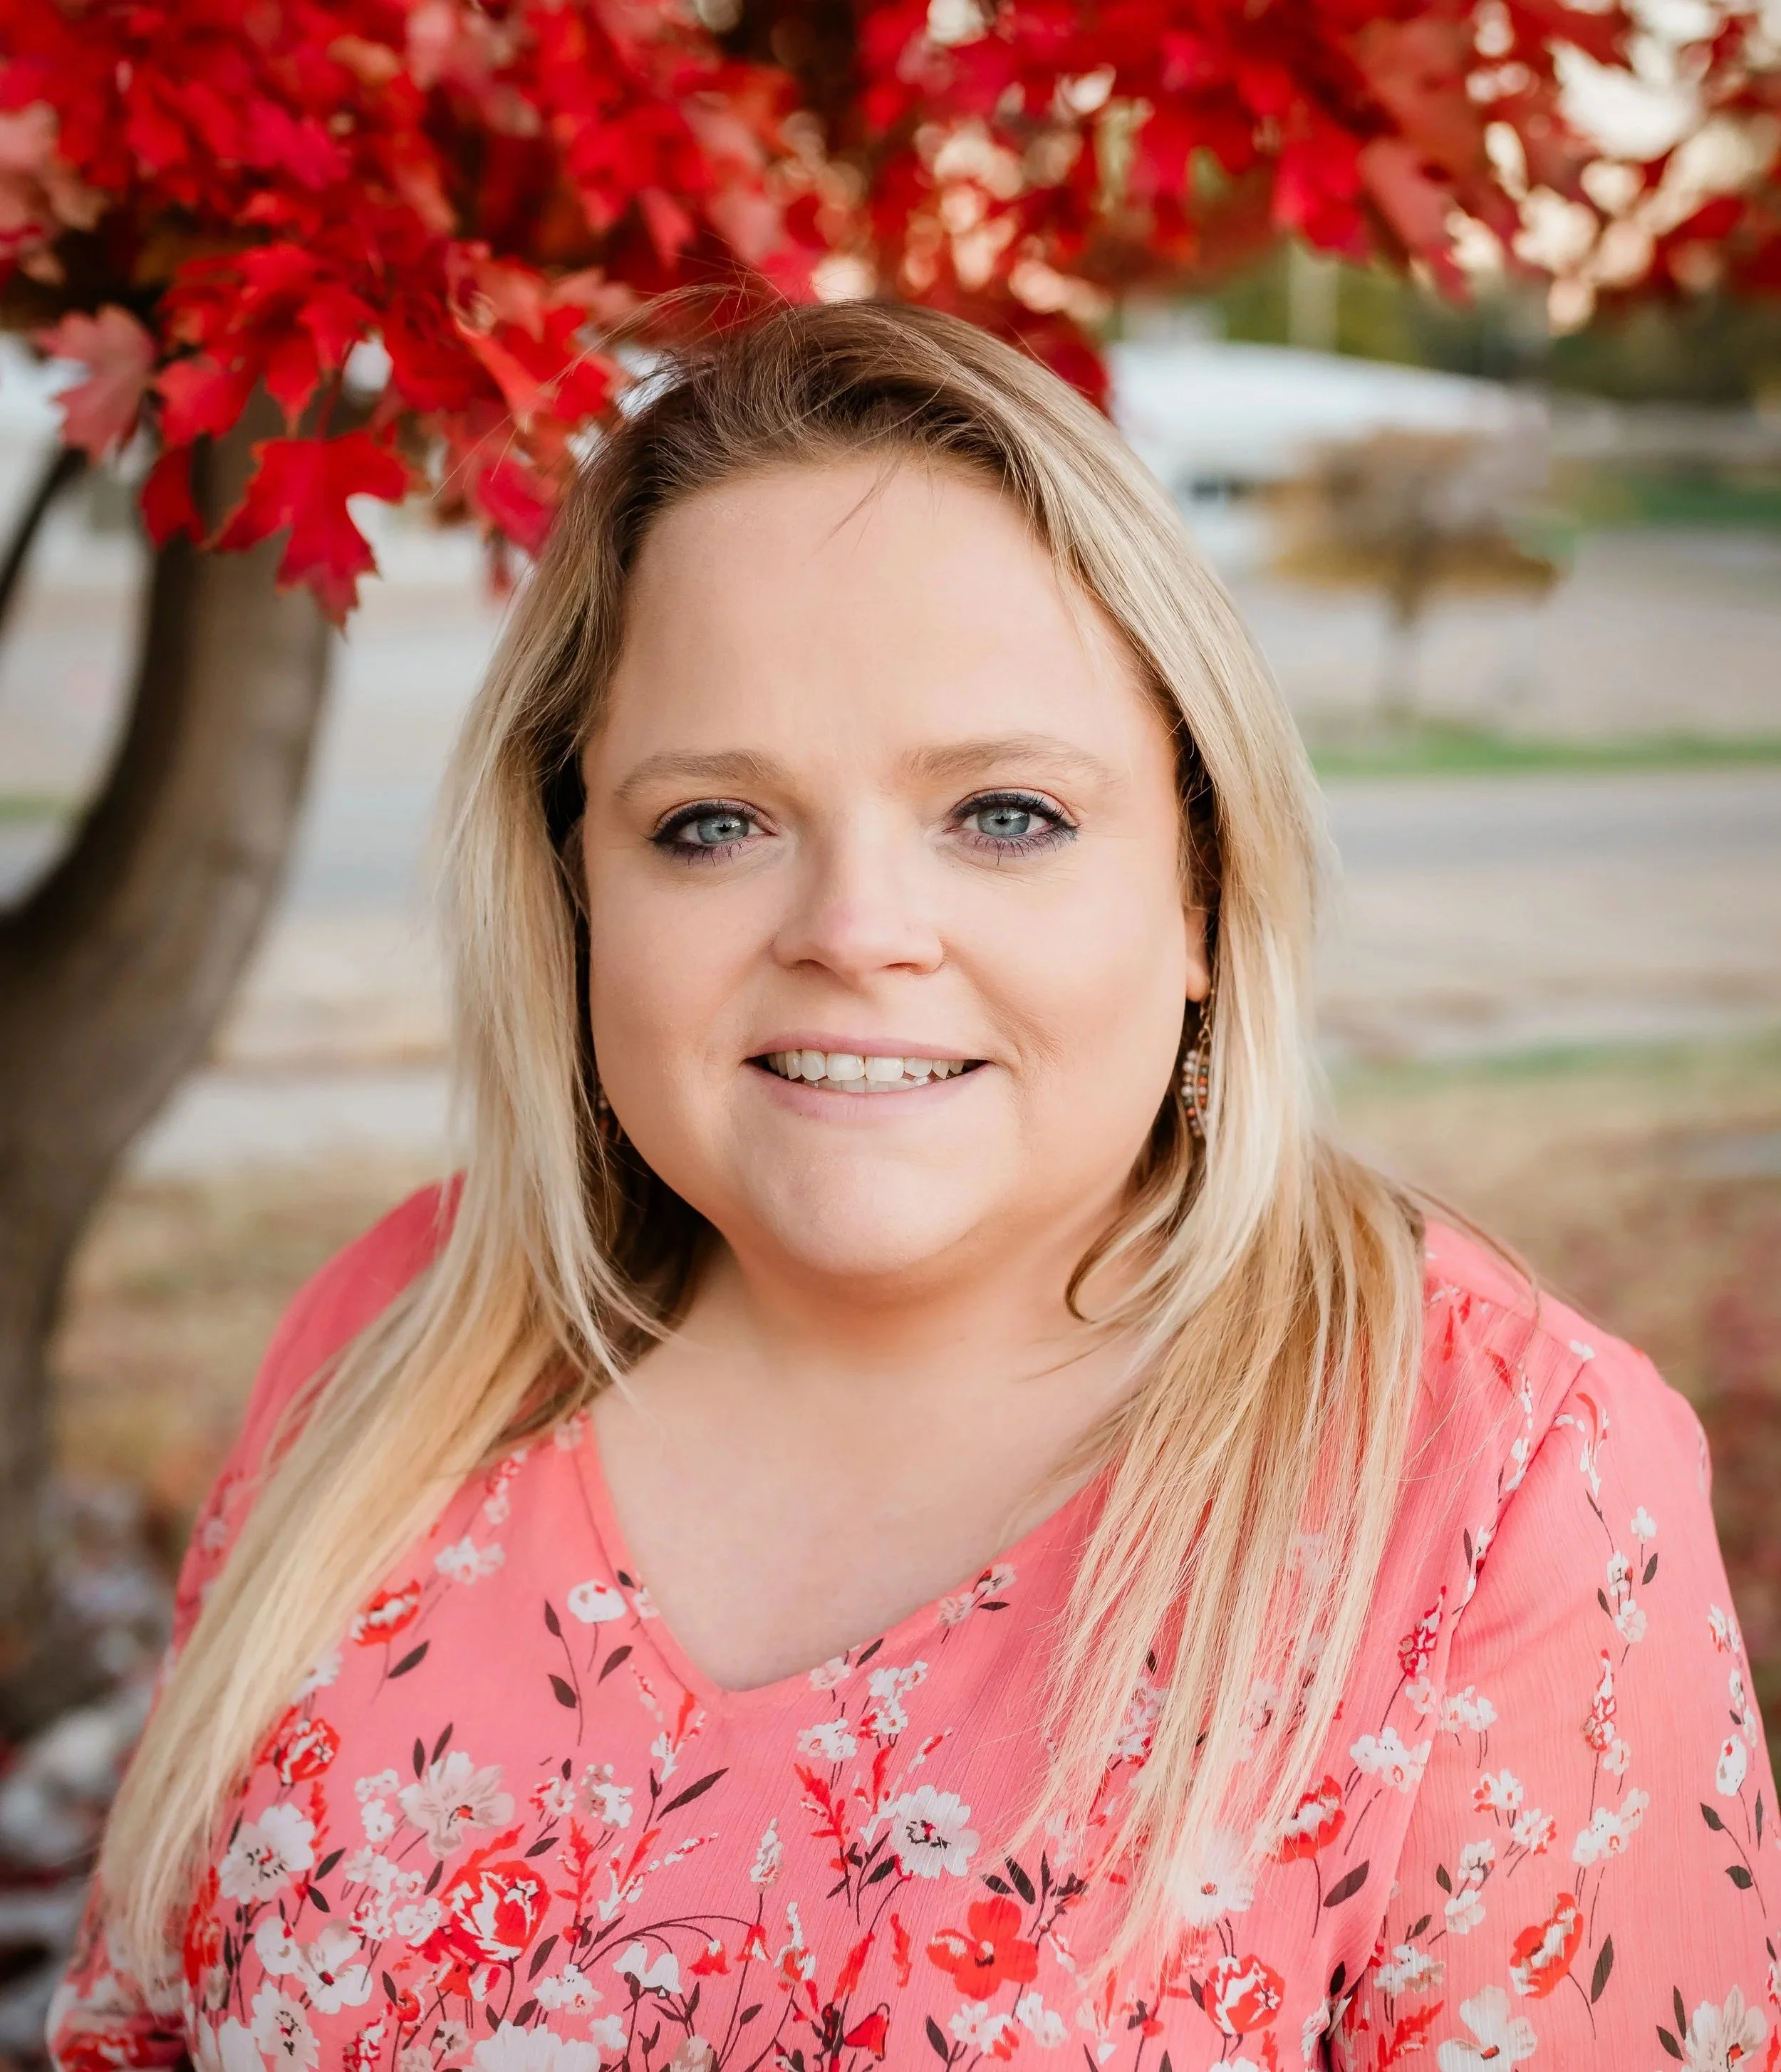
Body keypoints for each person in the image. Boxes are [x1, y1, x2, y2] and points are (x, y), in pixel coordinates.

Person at [51, 301, 1777, 2072]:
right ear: (575, 889)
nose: (853, 933)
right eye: (713, 821)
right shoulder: (398, 1338)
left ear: (1196, 885)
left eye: (1005, 813)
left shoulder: (1493, 1478)